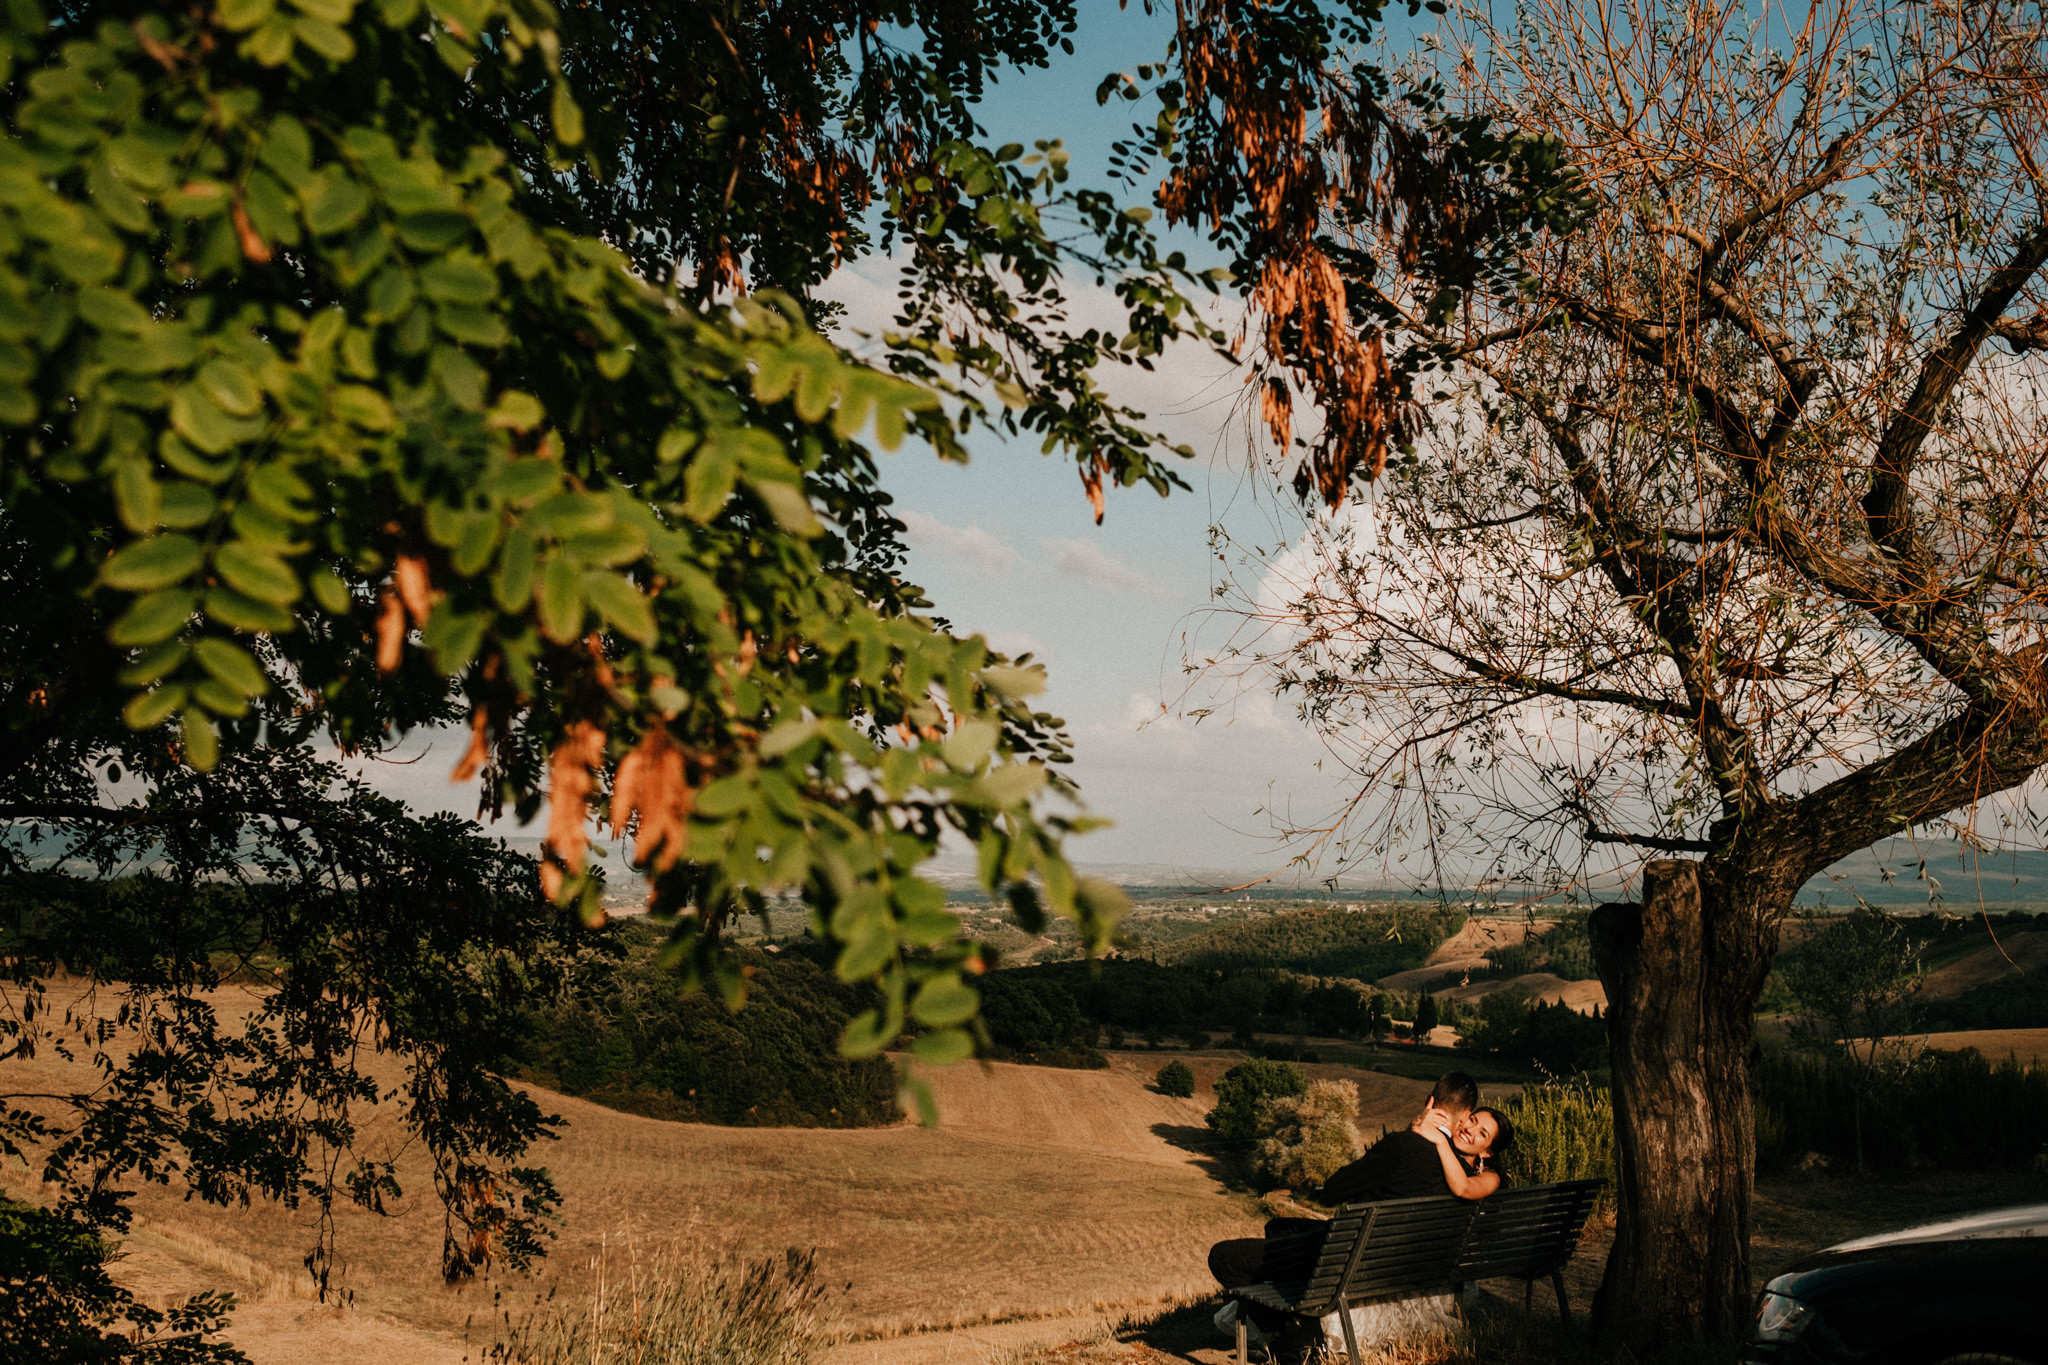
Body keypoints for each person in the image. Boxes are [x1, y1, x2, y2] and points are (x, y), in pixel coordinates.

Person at [1207, 1072, 1501, 1295]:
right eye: (1472, 1121)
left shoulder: (1401, 1146)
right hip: (1400, 1260)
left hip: (1350, 1261)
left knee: (1224, 1257)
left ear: (1430, 1102)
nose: (1471, 1129)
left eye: (1481, 1131)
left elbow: (1334, 1190)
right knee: (1277, 1227)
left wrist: (1411, 1133)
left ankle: (1284, 1327)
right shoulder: (1466, 1173)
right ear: (1464, 1117)